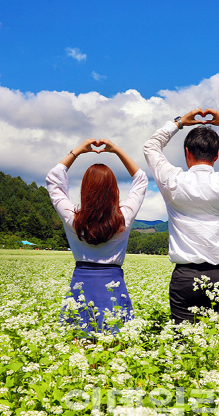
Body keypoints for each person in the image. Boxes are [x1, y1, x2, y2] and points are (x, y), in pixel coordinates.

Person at [143, 108, 219, 324]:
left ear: (187, 152)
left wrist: (179, 122)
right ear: (217, 155)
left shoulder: (173, 181)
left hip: (185, 276)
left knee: (184, 343)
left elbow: (151, 146)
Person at [46, 138, 148, 334]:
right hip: (114, 283)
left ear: (85, 189)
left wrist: (77, 151)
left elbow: (53, 179)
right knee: (114, 346)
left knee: (79, 344)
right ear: (114, 190)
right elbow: (141, 179)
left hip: (81, 282)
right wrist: (116, 150)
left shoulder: (72, 216)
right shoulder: (123, 216)